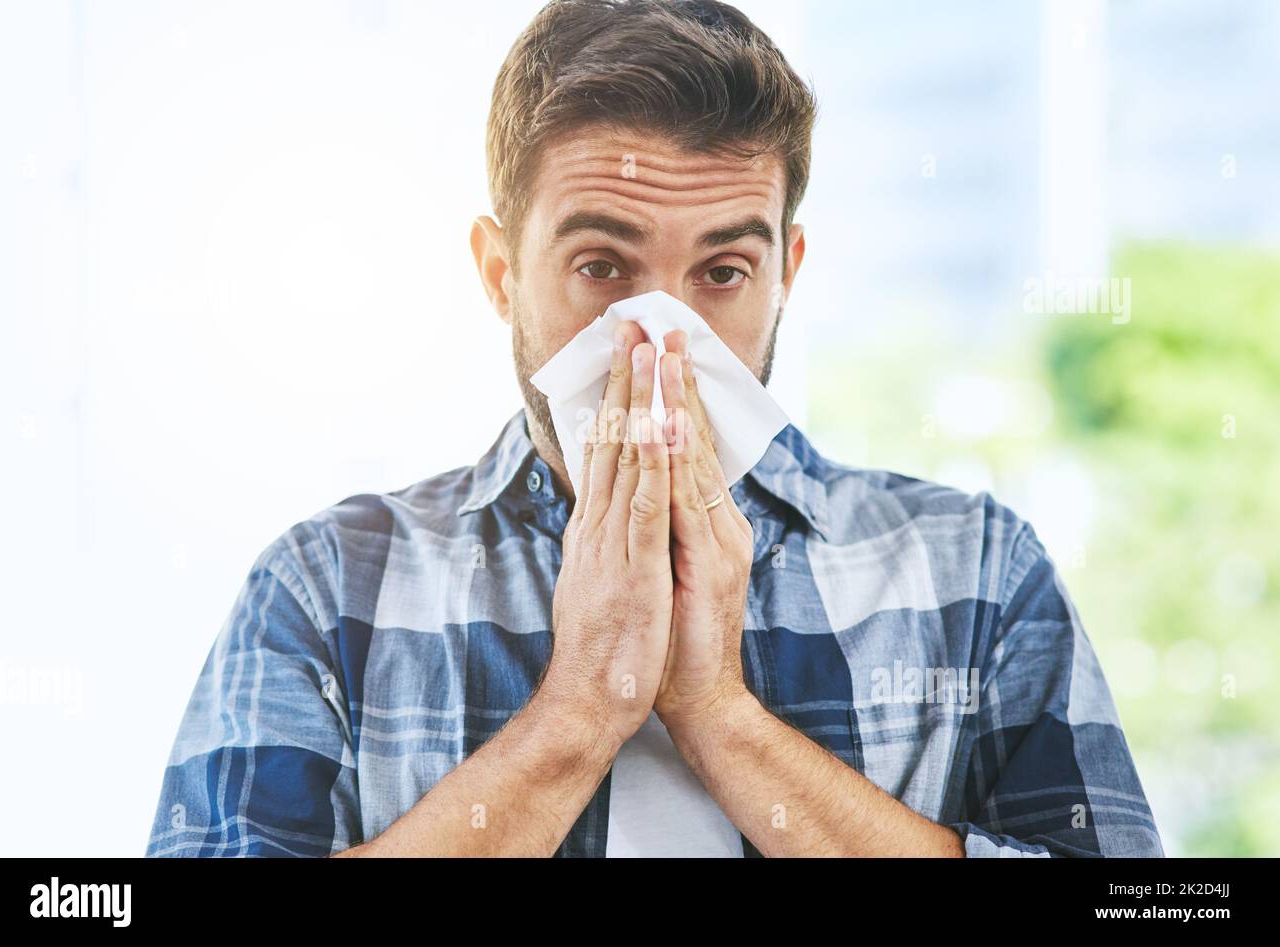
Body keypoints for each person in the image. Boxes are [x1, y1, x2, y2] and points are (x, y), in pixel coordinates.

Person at [144, 0, 1163, 857]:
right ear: (501, 273)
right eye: (601, 266)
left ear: (785, 275)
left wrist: (717, 712)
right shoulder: (328, 589)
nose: (660, 332)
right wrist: (580, 709)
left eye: (721, 273)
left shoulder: (974, 574)